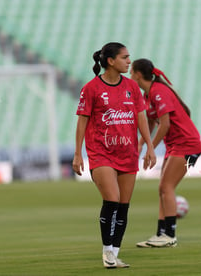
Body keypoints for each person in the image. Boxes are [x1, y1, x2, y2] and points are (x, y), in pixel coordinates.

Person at [72, 42, 156, 269]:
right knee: (112, 199)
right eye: (125, 57)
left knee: (124, 205)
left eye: (129, 57)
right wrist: (78, 153)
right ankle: (107, 251)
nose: (129, 61)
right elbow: (82, 121)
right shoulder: (91, 89)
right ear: (110, 61)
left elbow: (141, 118)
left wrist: (149, 146)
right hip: (101, 154)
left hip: (127, 153)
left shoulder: (131, 87)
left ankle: (115, 253)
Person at [130, 58, 201, 248]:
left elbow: (165, 124)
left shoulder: (158, 92)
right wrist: (141, 143)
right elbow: (152, 122)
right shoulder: (149, 95)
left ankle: (169, 235)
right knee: (163, 188)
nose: (130, 77)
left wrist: (150, 148)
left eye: (131, 73)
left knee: (166, 187)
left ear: (138, 75)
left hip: (187, 144)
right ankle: (160, 234)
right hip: (177, 144)